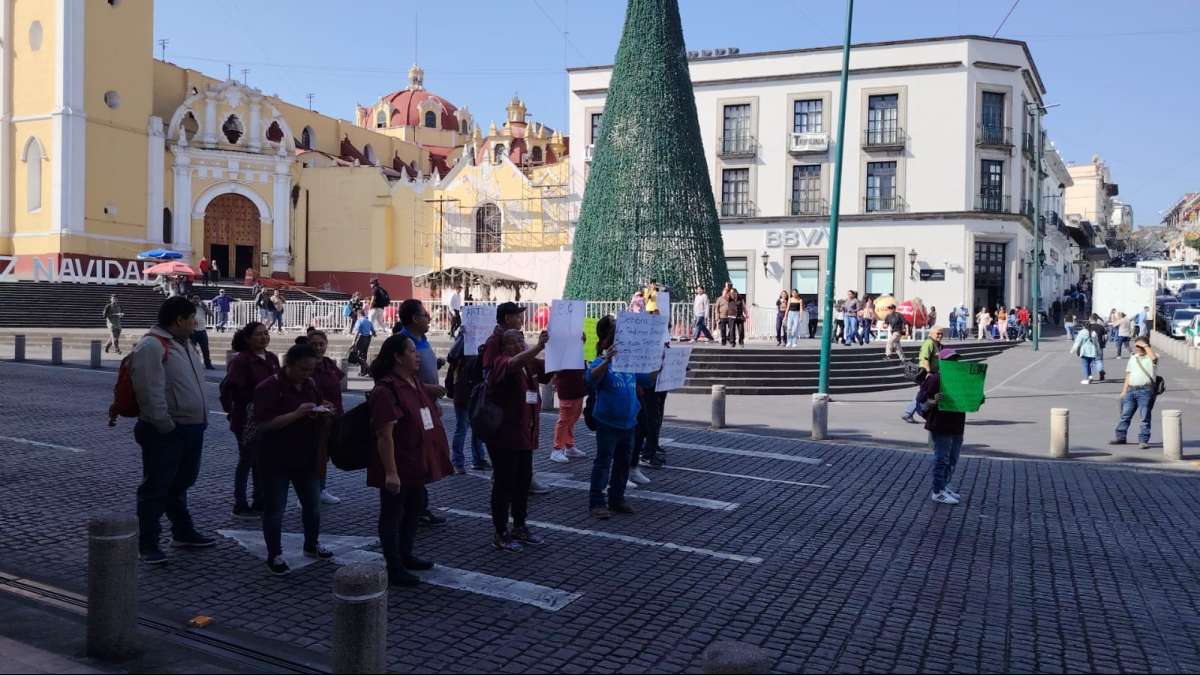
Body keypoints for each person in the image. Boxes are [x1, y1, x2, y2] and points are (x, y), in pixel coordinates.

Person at [129, 297, 213, 564]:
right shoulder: (152, 346)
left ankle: (183, 531)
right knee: (156, 487)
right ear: (179, 320)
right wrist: (165, 424)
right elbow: (148, 391)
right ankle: (148, 543)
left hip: (191, 427)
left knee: (180, 483)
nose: (196, 324)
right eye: (193, 319)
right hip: (166, 430)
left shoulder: (185, 344)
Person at [368, 334, 453, 587]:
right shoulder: (386, 389)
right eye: (412, 351)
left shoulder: (413, 381)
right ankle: (393, 566)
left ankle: (406, 555)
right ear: (397, 356)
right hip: (399, 463)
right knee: (392, 514)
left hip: (417, 460)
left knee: (415, 507)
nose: (418, 356)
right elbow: (384, 436)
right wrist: (391, 473)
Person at [254, 343, 337, 575]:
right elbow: (264, 425)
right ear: (289, 365)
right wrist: (297, 414)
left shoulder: (310, 384)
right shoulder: (268, 387)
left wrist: (324, 410)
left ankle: (312, 544)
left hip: (306, 456)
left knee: (312, 505)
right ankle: (275, 554)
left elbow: (318, 407)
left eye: (311, 369)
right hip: (275, 458)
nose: (307, 374)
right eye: (303, 369)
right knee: (275, 509)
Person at [483, 329, 551, 551]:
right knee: (504, 485)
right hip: (504, 437)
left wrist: (570, 347)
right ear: (504, 347)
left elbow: (551, 369)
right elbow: (512, 364)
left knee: (523, 483)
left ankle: (520, 526)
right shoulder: (501, 363)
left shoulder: (528, 364)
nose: (519, 345)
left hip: (525, 435)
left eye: (522, 340)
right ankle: (500, 531)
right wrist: (538, 347)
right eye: (514, 342)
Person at [585, 315, 658, 519]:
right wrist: (607, 360)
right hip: (607, 422)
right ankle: (597, 502)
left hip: (628, 423)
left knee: (622, 463)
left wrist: (659, 365)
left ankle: (617, 499)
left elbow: (648, 380)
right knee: (603, 462)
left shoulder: (630, 363)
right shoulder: (601, 361)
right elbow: (590, 379)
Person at [480, 302, 552, 495]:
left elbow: (534, 365)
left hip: (524, 411)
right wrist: (537, 348)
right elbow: (503, 368)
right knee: (507, 455)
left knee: (522, 454)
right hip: (505, 410)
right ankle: (505, 486)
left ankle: (522, 481)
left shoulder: (515, 340)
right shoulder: (495, 342)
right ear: (507, 318)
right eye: (518, 316)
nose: (522, 320)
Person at [393, 299, 449, 527]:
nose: (429, 318)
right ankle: (411, 509)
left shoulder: (422, 340)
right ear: (415, 319)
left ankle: (419, 506)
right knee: (414, 457)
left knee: (426, 456)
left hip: (427, 407)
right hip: (412, 411)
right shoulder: (402, 342)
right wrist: (430, 389)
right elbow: (398, 380)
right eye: (425, 315)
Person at [225, 322, 280, 518]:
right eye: (258, 335)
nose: (264, 337)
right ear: (248, 338)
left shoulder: (272, 358)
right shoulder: (241, 361)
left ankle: (260, 500)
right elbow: (234, 390)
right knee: (247, 460)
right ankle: (240, 503)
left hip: (268, 418)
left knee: (262, 460)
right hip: (245, 418)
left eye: (266, 333)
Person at [916, 348, 979, 506]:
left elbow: (973, 399)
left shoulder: (962, 379)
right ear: (943, 363)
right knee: (942, 458)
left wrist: (977, 395)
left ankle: (944, 486)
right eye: (950, 360)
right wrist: (933, 401)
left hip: (957, 423)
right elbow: (920, 402)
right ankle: (938, 492)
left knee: (952, 459)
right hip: (940, 424)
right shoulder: (935, 379)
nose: (954, 363)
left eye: (955, 360)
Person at [307, 330, 344, 504]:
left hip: (333, 417)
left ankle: (320, 489)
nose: (318, 347)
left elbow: (338, 383)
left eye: (321, 344)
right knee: (313, 455)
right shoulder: (305, 365)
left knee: (324, 455)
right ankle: (307, 492)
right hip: (313, 418)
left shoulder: (329, 363)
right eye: (314, 344)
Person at [445, 331, 490, 473]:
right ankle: (458, 462)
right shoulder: (461, 350)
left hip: (474, 394)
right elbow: (451, 356)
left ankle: (478, 459)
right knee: (462, 428)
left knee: (476, 428)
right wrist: (464, 336)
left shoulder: (482, 348)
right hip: (463, 394)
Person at [1111, 337, 1158, 449]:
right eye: (1136, 346)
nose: (1138, 348)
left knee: (1144, 416)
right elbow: (1128, 374)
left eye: (1140, 346)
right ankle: (1120, 437)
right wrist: (1124, 391)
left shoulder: (1151, 357)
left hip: (1145, 391)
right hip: (1131, 390)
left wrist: (1146, 346)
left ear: (1146, 346)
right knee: (1125, 415)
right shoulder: (1133, 358)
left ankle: (1143, 440)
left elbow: (1154, 359)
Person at [901, 326, 944, 423]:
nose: (940, 335)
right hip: (926, 373)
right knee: (924, 394)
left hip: (933, 373)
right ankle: (913, 413)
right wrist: (928, 373)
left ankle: (909, 413)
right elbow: (924, 359)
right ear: (931, 334)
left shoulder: (937, 344)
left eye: (942, 333)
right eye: (938, 333)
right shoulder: (929, 343)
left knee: (923, 393)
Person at [551, 367, 587, 463]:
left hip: (578, 387)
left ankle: (569, 446)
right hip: (567, 388)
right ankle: (557, 450)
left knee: (572, 419)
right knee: (565, 420)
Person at [1070, 317, 1102, 385]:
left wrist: (1073, 350)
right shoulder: (1093, 332)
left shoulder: (1082, 332)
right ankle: (1090, 377)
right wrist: (1098, 351)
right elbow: (1096, 343)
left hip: (1085, 351)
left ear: (1083, 326)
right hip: (1093, 351)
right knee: (1089, 365)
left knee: (1085, 365)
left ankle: (1086, 379)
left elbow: (1077, 342)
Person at [188, 294, 215, 370]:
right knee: (191, 349)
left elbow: (211, 314)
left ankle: (208, 364)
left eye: (197, 298)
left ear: (199, 300)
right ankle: (191, 364)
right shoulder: (190, 308)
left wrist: (204, 306)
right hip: (192, 331)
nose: (196, 300)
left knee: (205, 349)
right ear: (192, 299)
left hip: (202, 331)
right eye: (194, 298)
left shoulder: (202, 307)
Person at [351, 310, 377, 377]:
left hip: (361, 338)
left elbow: (357, 332)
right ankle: (363, 372)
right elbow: (374, 332)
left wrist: (353, 341)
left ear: (359, 314)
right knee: (363, 355)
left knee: (358, 356)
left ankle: (368, 369)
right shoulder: (368, 321)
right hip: (368, 338)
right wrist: (373, 334)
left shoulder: (359, 321)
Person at [1085, 313, 1108, 381]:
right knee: (1099, 360)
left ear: (1090, 319)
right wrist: (1104, 343)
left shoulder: (1088, 327)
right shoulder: (1101, 327)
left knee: (1090, 361)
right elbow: (1106, 336)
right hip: (1099, 345)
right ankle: (1101, 371)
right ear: (1096, 319)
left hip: (1089, 346)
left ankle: (1090, 376)